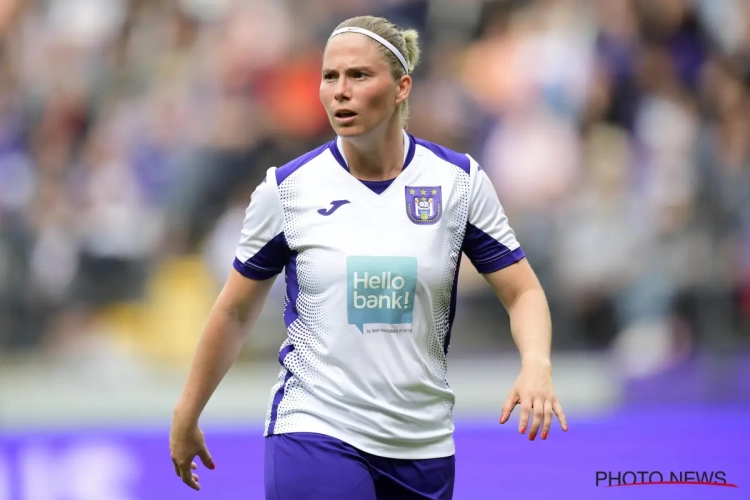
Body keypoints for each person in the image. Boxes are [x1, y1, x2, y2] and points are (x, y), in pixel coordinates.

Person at [169, 14, 568, 499]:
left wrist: (536, 364)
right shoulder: (288, 189)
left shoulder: (458, 183)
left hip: (422, 442)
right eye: (330, 76)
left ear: (402, 87)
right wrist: (187, 410)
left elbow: (523, 292)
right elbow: (234, 310)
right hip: (315, 428)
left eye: (358, 75)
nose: (340, 91)